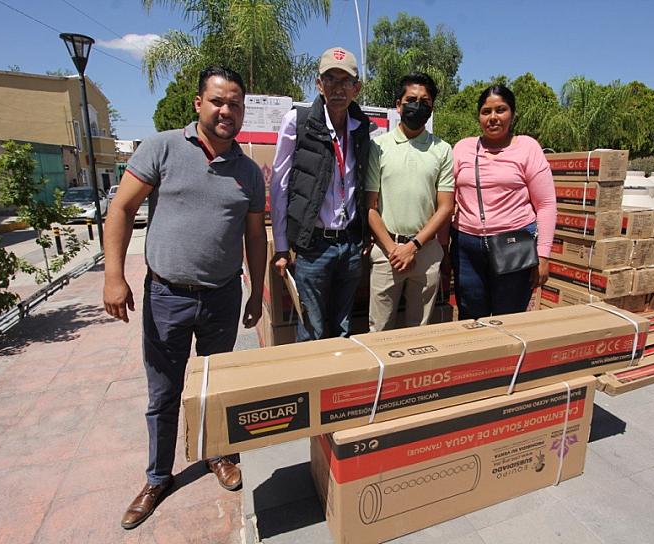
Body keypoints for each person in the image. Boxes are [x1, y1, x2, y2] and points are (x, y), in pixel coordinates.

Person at [103, 66, 267, 530]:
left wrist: (256, 290)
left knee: (216, 387)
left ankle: (219, 454)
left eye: (234, 103)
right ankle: (157, 477)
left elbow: (255, 237)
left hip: (222, 297)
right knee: (164, 392)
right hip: (166, 296)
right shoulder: (163, 148)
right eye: (217, 101)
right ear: (199, 103)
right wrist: (113, 276)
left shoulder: (249, 173)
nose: (226, 111)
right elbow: (122, 207)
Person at [269, 47, 371, 341]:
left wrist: (364, 234)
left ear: (356, 88)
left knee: (343, 327)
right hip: (313, 246)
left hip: (349, 245)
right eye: (330, 79)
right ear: (318, 84)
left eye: (345, 81)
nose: (337, 88)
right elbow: (279, 185)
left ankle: (338, 385)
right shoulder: (297, 122)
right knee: (311, 328)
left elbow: (364, 184)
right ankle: (313, 384)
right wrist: (281, 246)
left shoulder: (362, 128)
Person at [450, 84, 556, 319]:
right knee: (471, 317)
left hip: (513, 243)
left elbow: (546, 205)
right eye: (486, 111)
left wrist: (544, 255)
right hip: (467, 247)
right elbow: (448, 198)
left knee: (508, 319)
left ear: (513, 113)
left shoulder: (527, 147)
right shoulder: (463, 148)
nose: (493, 118)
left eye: (501, 110)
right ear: (478, 116)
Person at [366, 72, 454, 331]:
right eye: (411, 99)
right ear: (398, 105)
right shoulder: (378, 147)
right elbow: (370, 207)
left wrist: (413, 246)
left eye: (424, 101)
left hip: (425, 252)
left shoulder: (442, 149)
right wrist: (394, 248)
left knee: (419, 331)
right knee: (378, 330)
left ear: (432, 107)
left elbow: (446, 206)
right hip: (386, 251)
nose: (417, 105)